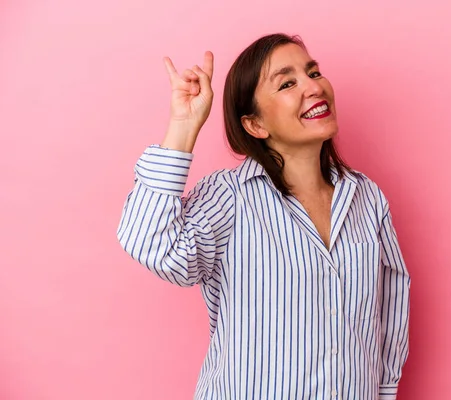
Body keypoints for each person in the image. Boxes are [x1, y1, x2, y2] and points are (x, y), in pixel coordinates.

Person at [117, 33, 410, 400]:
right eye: (287, 83)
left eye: (313, 72)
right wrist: (183, 125)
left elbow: (393, 303)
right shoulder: (229, 197)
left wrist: (383, 392)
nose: (313, 87)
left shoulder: (366, 198)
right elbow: (151, 244)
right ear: (256, 125)